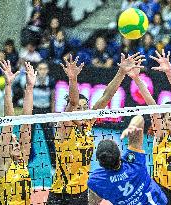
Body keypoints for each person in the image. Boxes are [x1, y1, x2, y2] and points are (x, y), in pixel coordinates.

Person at [47, 52, 144, 205]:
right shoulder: (64, 126)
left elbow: (107, 95)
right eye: (79, 108)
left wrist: (121, 72)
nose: (83, 111)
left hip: (81, 193)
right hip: (61, 194)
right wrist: (73, 79)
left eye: (85, 108)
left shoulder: (87, 123)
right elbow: (72, 103)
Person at [127, 49, 171, 205]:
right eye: (170, 119)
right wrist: (137, 78)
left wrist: (170, 73)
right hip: (157, 191)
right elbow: (151, 104)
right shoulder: (161, 135)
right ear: (164, 122)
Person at [87, 115, 168, 205]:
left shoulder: (95, 180)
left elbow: (94, 202)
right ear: (120, 155)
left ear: (100, 162)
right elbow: (140, 118)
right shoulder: (135, 162)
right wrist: (131, 127)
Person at [0, 60, 36, 205]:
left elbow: (26, 123)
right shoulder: (2, 164)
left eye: (16, 141)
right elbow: (8, 121)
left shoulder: (22, 161)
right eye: (12, 141)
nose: (17, 144)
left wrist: (29, 87)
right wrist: (8, 86)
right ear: (1, 148)